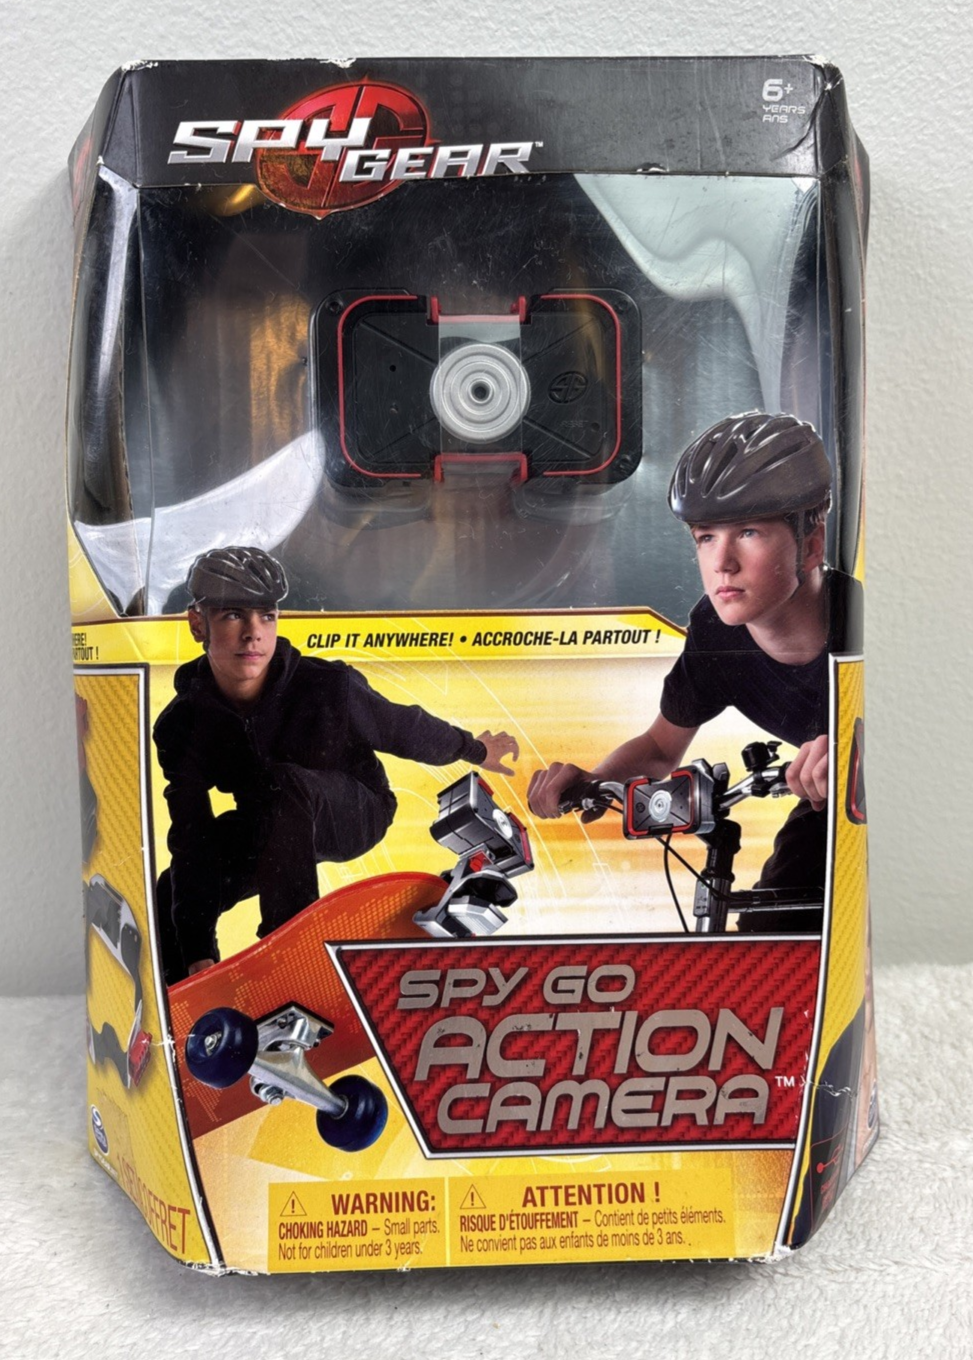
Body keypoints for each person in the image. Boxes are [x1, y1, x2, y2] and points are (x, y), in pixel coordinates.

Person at [528, 411, 861, 932]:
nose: (722, 563)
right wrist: (593, 781)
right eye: (705, 537)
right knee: (772, 926)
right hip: (832, 799)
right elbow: (660, 748)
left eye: (748, 532)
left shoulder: (869, 617)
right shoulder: (716, 634)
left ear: (812, 544)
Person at [154, 546, 518, 983]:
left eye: (266, 616)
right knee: (172, 887)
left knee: (282, 784)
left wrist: (474, 749)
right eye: (233, 615)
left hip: (354, 810)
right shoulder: (182, 725)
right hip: (271, 826)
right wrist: (196, 949)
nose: (253, 634)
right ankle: (184, 987)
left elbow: (402, 727)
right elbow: (191, 834)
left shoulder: (326, 686)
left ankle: (289, 948)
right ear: (198, 623)